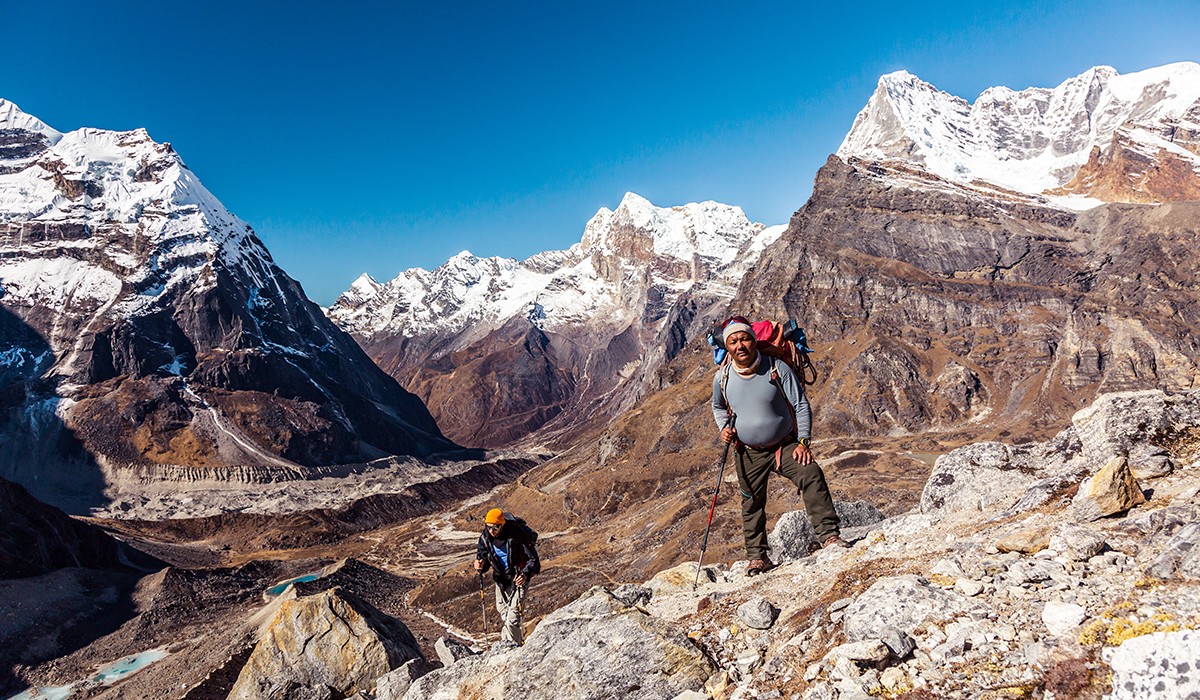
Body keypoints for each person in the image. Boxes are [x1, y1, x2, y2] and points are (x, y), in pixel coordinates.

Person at [710, 317, 847, 576]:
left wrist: (804, 441)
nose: (740, 345)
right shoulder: (723, 377)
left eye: (745, 338)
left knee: (811, 473)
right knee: (751, 502)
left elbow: (801, 405)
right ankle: (757, 557)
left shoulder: (776, 368)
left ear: (754, 341)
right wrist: (723, 429)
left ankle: (829, 536)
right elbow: (718, 406)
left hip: (784, 446)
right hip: (747, 451)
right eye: (733, 341)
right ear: (727, 347)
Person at [474, 507, 540, 644]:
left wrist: (525, 574)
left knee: (512, 618)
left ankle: (510, 648)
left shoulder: (517, 535)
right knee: (503, 612)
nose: (491, 531)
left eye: (495, 528)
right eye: (488, 527)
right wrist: (480, 565)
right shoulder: (485, 538)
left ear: (502, 525)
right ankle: (515, 644)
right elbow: (483, 558)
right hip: (501, 580)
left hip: (518, 578)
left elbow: (534, 560)